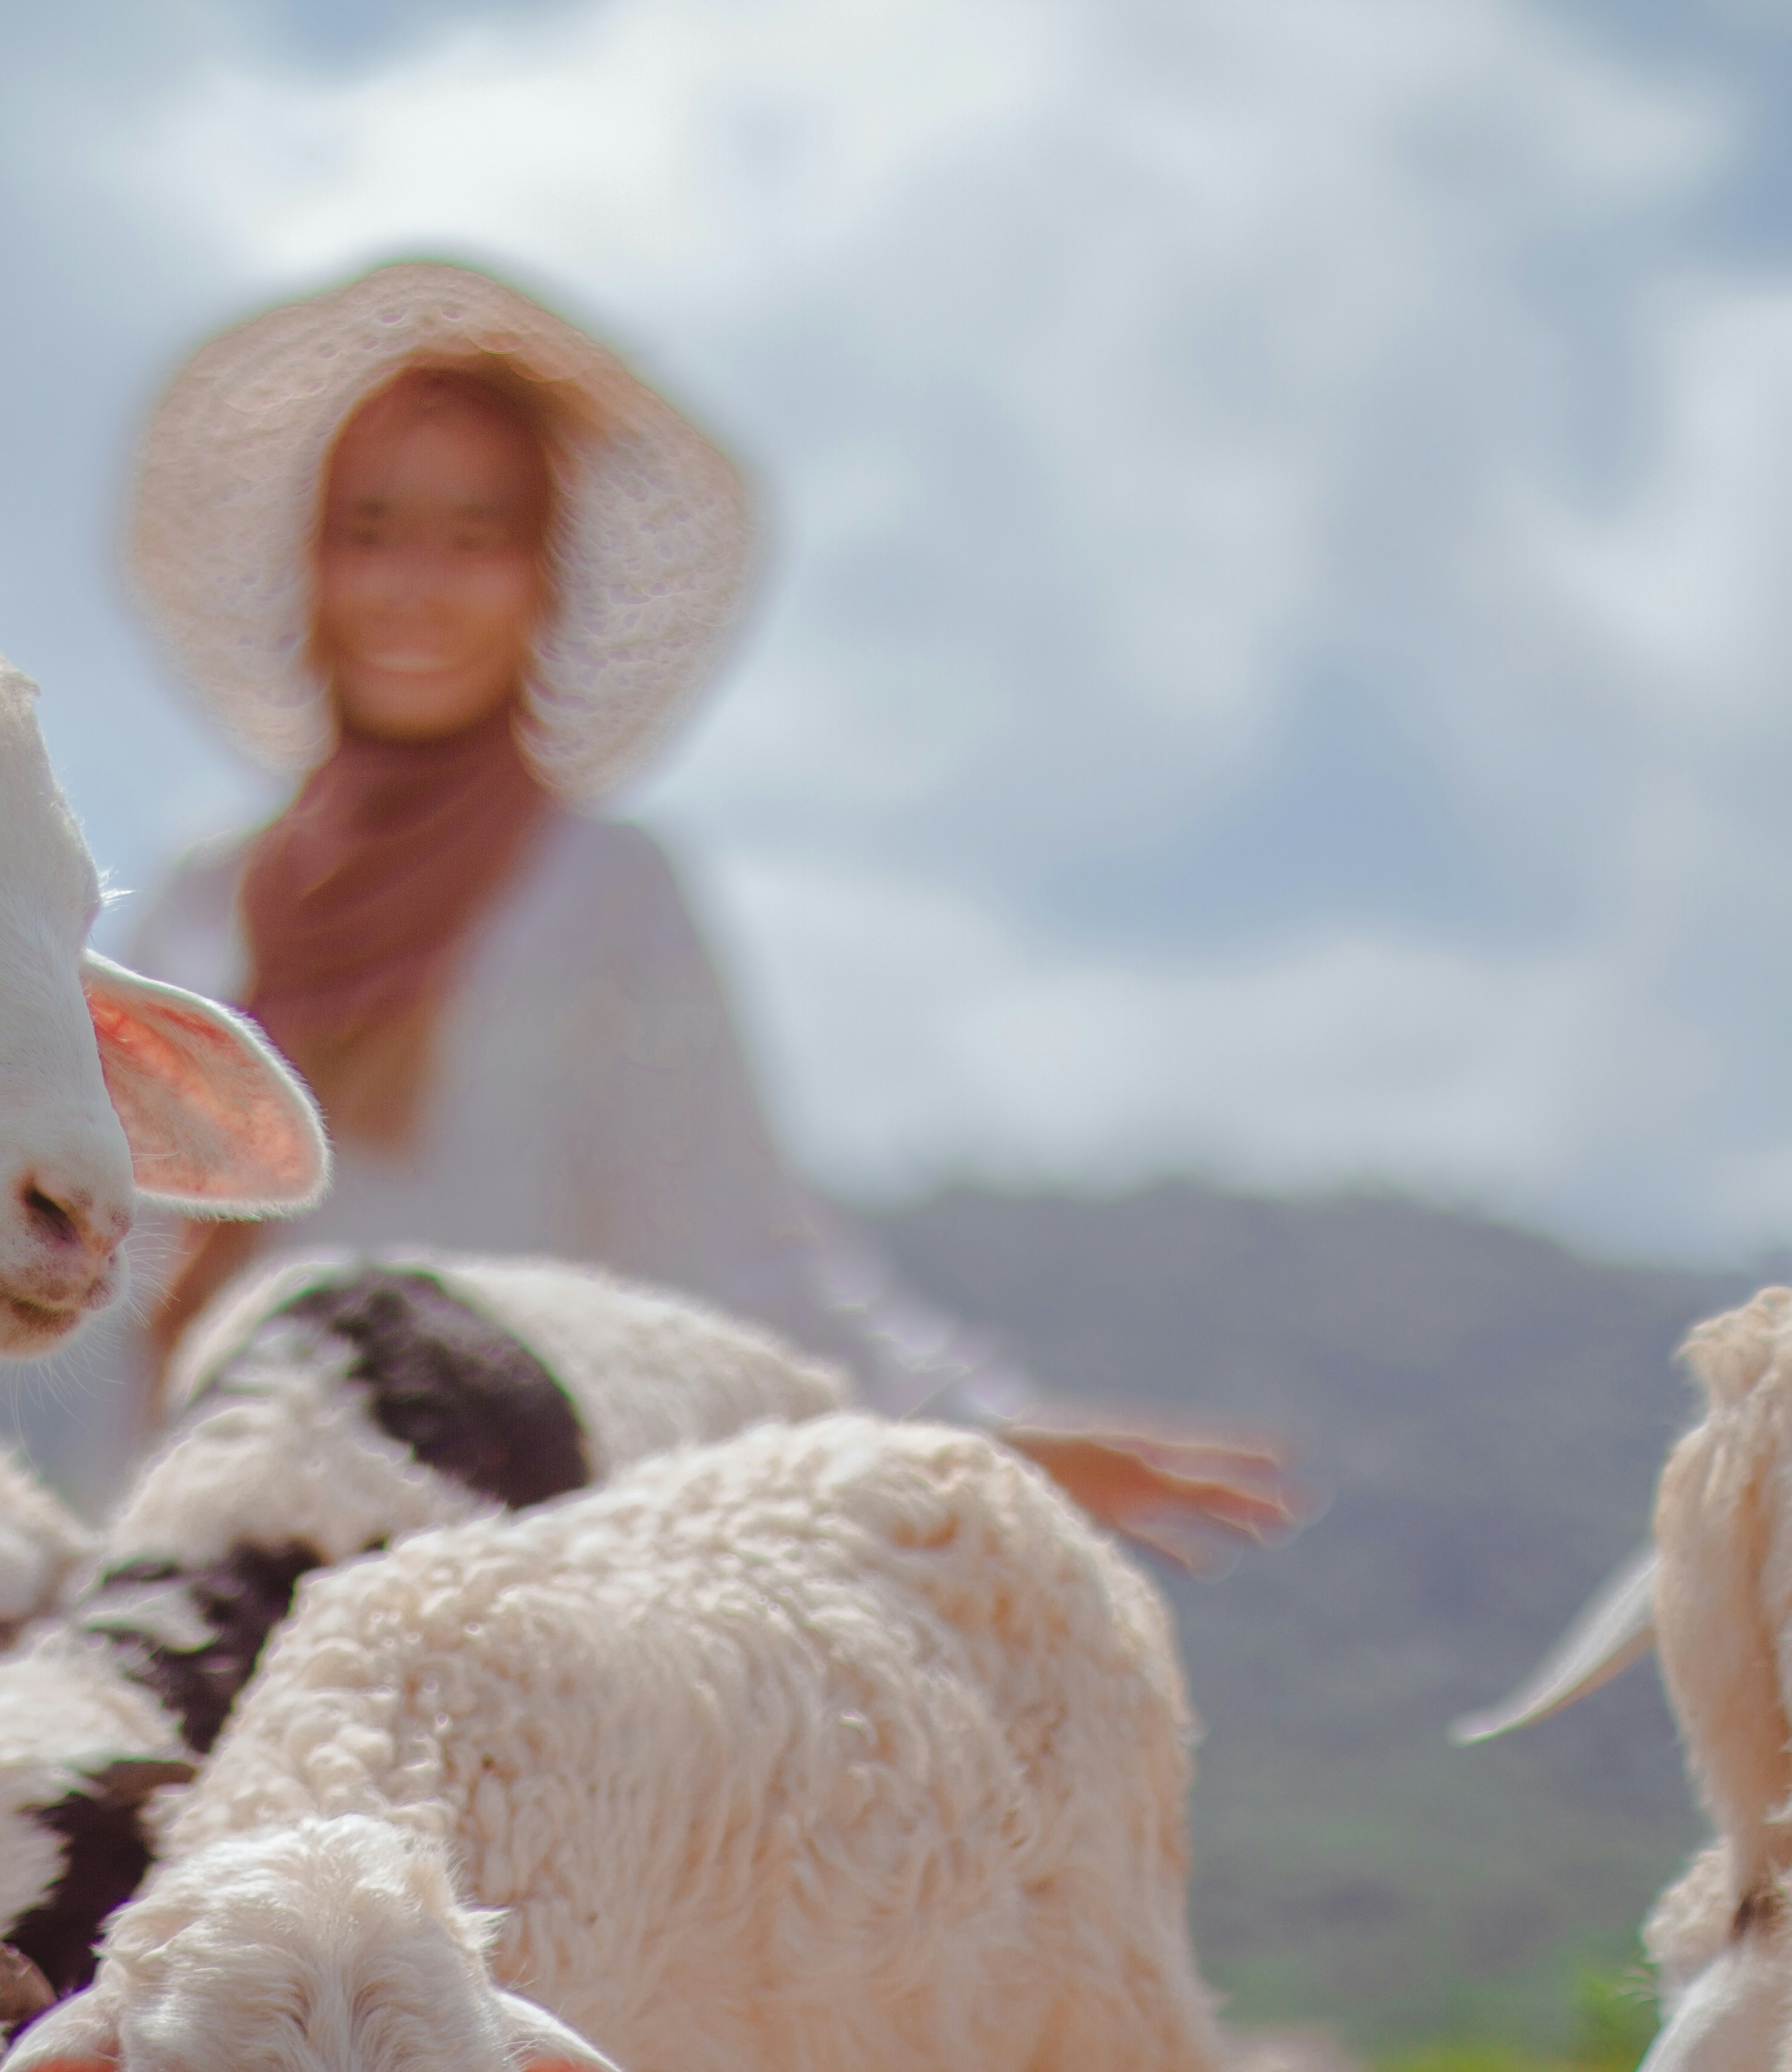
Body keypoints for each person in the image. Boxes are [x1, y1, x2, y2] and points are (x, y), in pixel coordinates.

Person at [114, 259, 1298, 1570]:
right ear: (312, 570)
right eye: (372, 531)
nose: (417, 589)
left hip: (493, 1565)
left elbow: (738, 1252)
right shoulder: (199, 906)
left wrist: (986, 1436)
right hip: (195, 1549)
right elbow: (57, 1224)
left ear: (543, 584)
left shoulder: (599, 893)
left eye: (477, 538)